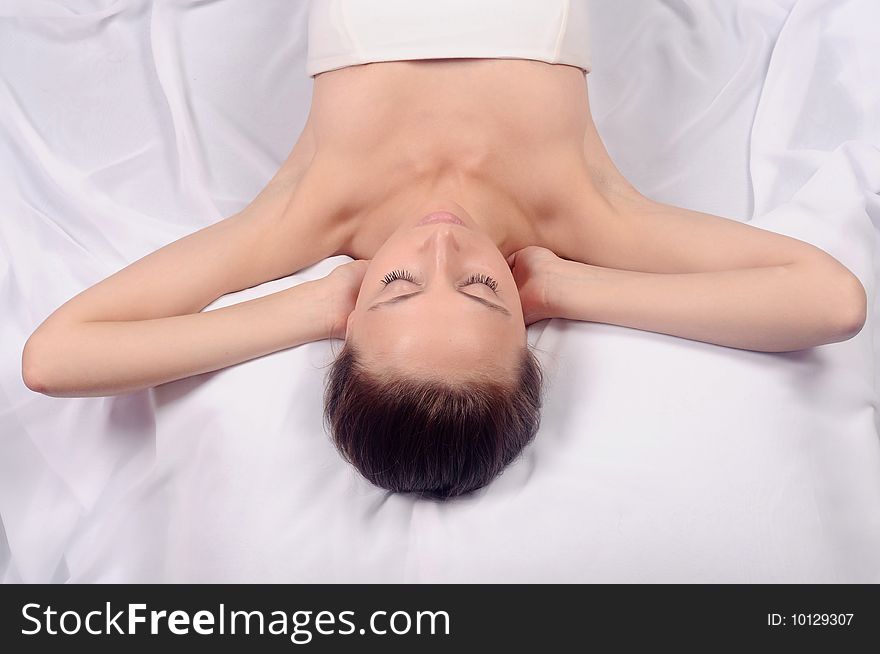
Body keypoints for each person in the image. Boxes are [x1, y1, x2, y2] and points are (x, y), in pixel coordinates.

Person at [21, 1, 867, 499]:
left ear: (349, 314)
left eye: (394, 285)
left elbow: (57, 357)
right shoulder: (579, 213)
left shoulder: (309, 216)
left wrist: (303, 307)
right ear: (527, 321)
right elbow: (832, 302)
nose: (442, 248)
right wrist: (568, 287)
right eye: (481, 291)